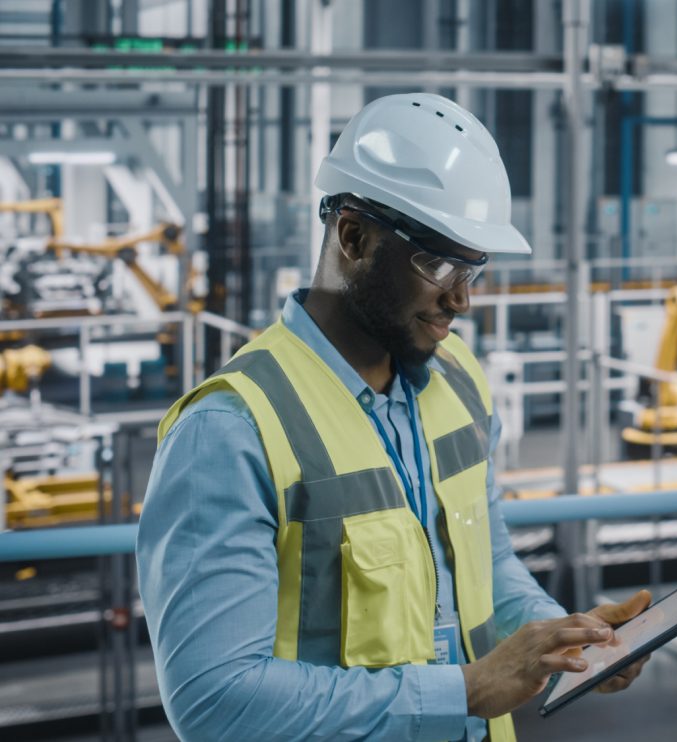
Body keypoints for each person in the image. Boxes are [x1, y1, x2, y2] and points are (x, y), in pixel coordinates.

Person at [137, 93, 650, 741]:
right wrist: (466, 689)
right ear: (353, 236)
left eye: (475, 269)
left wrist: (562, 640)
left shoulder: (458, 379)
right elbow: (215, 701)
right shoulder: (230, 430)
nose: (461, 299)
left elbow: (484, 567)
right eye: (439, 264)